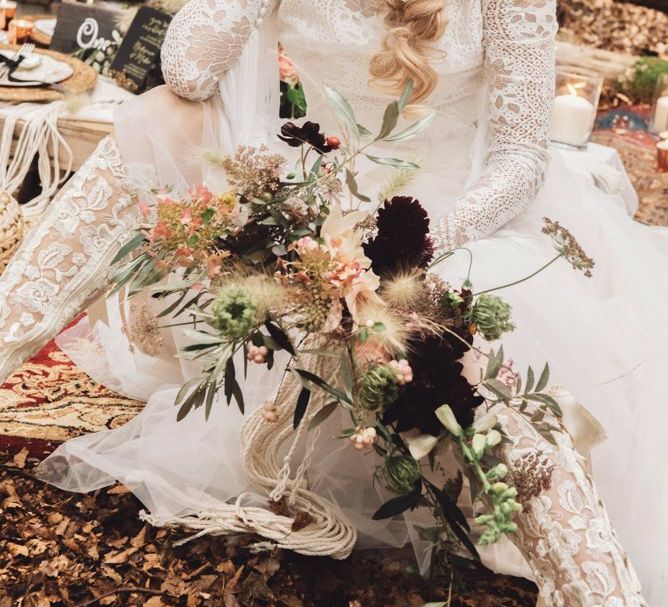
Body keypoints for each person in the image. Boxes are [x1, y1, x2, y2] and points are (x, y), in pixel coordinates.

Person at [0, 0, 663, 603]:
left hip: (455, 221)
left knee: (455, 327)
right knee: (160, 118)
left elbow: (521, 158)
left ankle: (598, 589)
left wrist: (412, 244)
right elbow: (190, 71)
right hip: (312, 210)